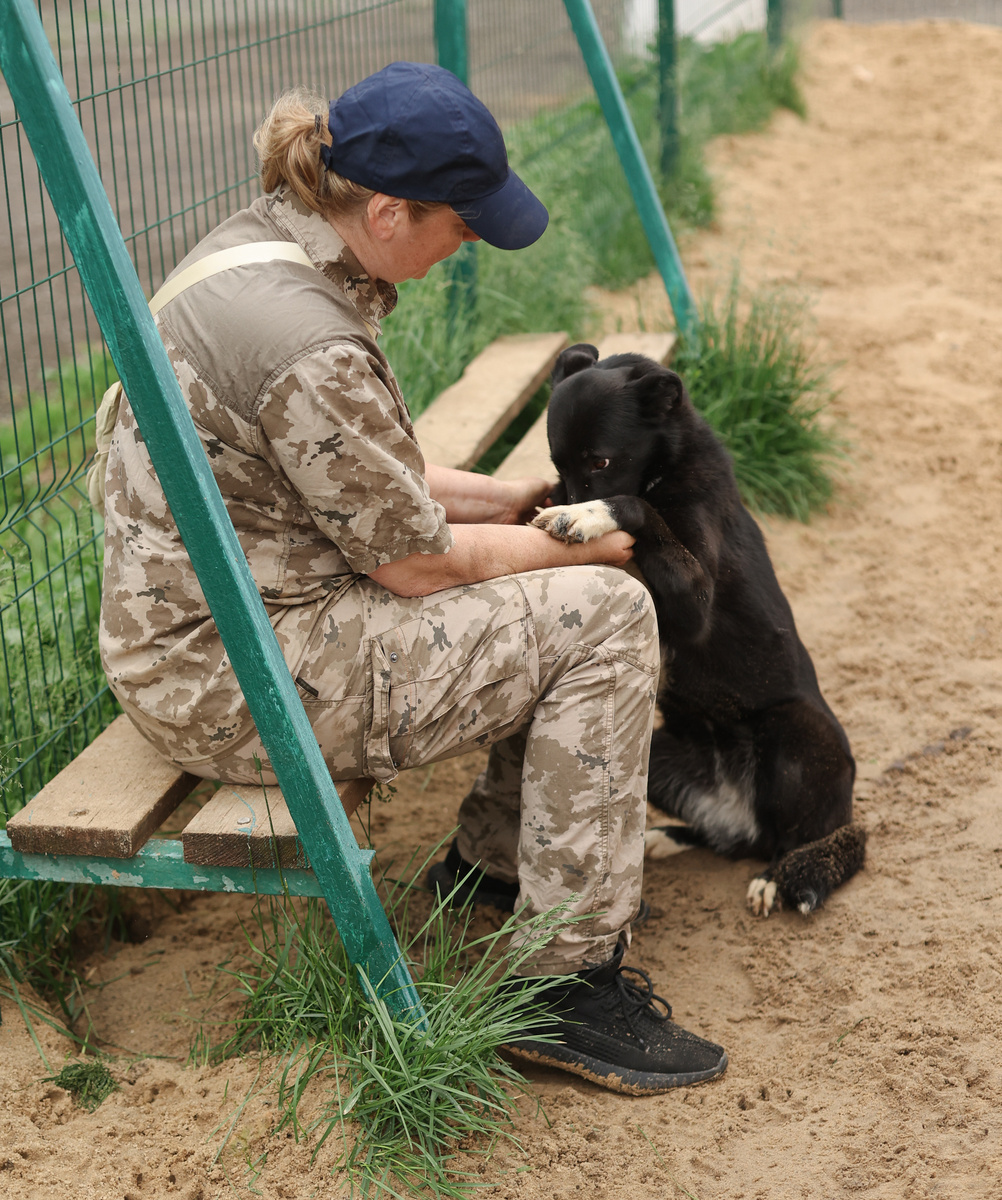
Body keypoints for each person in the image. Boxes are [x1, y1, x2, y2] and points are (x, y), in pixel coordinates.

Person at [98, 61, 727, 1095]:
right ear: (390, 212)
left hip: (191, 634)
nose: (468, 241)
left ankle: (490, 868)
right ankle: (563, 988)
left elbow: (351, 473)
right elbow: (416, 563)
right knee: (605, 613)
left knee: (545, 587)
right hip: (237, 686)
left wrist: (514, 497)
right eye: (462, 224)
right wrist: (590, 539)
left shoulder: (256, 253)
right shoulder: (309, 342)